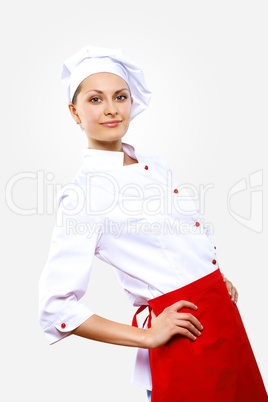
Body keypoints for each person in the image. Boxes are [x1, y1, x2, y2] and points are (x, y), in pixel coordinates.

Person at [39, 46, 267, 401]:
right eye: (96, 99)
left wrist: (209, 277)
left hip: (222, 315)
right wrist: (148, 336)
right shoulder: (84, 196)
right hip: (185, 336)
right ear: (74, 111)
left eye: (120, 96)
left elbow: (175, 240)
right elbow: (56, 308)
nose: (112, 109)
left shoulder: (155, 165)